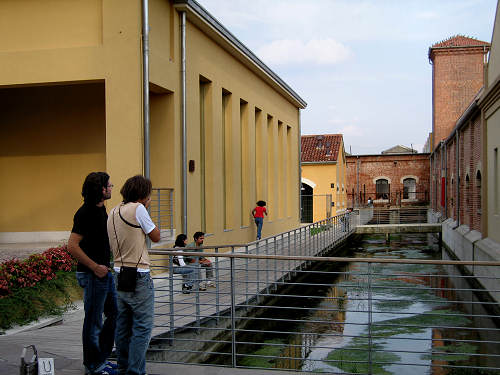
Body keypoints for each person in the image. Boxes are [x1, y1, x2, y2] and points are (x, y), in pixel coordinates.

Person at [107, 175, 161, 375]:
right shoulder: (138, 209)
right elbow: (156, 236)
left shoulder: (113, 211)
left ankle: (122, 367)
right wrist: (146, 208)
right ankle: (135, 371)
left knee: (123, 325)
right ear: (143, 195)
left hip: (119, 273)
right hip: (138, 274)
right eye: (149, 195)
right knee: (142, 327)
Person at [68, 172, 118, 375]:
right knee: (93, 320)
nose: (112, 186)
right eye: (109, 185)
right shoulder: (85, 212)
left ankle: (100, 359)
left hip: (104, 274)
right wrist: (94, 266)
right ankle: (93, 365)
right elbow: (72, 246)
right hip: (92, 275)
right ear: (101, 189)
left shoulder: (101, 210)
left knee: (115, 313)